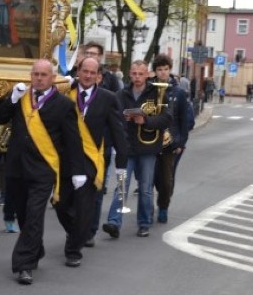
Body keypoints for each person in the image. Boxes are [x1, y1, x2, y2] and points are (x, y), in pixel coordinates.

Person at [0, 59, 86, 285]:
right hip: (15, 168)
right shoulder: (20, 98)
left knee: (34, 214)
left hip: (42, 170)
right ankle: (36, 248)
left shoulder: (63, 105)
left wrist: (77, 171)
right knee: (23, 215)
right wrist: (11, 100)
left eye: (44, 75)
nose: (39, 78)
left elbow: (73, 140)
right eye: (35, 74)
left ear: (53, 78)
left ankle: (24, 264)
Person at [54, 57, 127, 267]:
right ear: (78, 71)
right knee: (60, 205)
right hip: (65, 160)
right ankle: (76, 232)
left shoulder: (108, 98)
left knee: (85, 208)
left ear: (98, 76)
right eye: (84, 71)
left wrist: (121, 159)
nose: (87, 75)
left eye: (91, 72)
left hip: (90, 161)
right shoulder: (65, 92)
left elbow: (117, 130)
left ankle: (73, 250)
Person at [103, 60, 171, 239]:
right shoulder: (121, 93)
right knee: (121, 187)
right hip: (127, 147)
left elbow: (166, 119)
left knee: (145, 188)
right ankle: (114, 223)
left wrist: (146, 121)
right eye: (134, 74)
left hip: (148, 148)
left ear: (147, 74)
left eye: (141, 74)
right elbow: (112, 116)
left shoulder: (156, 93)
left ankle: (144, 223)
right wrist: (121, 118)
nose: (137, 77)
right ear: (130, 74)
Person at [152, 54, 189, 225]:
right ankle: (147, 208)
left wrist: (181, 142)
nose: (163, 73)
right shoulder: (149, 90)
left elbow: (184, 120)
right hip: (150, 141)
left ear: (170, 70)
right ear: (155, 71)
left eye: (165, 69)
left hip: (170, 143)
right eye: (159, 69)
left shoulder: (179, 93)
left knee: (166, 181)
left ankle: (163, 206)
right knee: (148, 179)